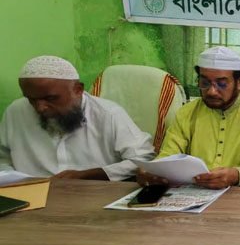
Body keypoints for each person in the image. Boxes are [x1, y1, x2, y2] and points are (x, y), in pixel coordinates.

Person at [137, 46, 240, 189]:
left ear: (239, 81)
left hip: (239, 193)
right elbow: (168, 156)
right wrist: (152, 172)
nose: (212, 91)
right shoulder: (186, 113)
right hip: (192, 192)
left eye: (222, 84)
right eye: (204, 83)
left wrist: (236, 175)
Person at [0, 55, 154, 180]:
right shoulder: (15, 112)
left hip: (94, 195)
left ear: (78, 90)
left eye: (51, 98)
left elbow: (143, 159)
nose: (40, 108)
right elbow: (3, 160)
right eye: (31, 99)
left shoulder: (108, 114)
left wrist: (89, 175)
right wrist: (16, 180)